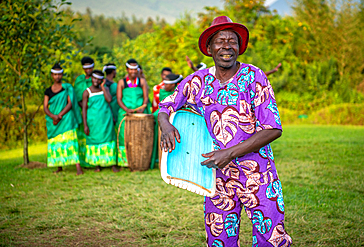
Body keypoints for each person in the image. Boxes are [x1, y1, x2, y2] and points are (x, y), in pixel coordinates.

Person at [158, 16, 292, 247]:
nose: (227, 46)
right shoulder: (197, 81)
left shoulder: (254, 77)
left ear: (239, 48)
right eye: (220, 41)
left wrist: (229, 153)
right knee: (220, 240)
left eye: (232, 41)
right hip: (216, 178)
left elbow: (273, 129)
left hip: (258, 174)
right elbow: (166, 106)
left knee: (271, 237)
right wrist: (166, 125)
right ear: (209, 48)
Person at [43, 64, 83, 175]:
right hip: (54, 121)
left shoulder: (67, 88)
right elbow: (45, 107)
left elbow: (70, 103)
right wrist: (53, 116)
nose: (57, 77)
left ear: (62, 75)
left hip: (66, 119)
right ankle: (59, 167)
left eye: (59, 74)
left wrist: (59, 115)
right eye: (55, 74)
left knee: (71, 142)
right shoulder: (48, 91)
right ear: (52, 75)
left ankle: (78, 168)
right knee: (56, 142)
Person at [82, 70, 120, 173]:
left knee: (109, 139)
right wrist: (85, 125)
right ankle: (97, 165)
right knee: (95, 140)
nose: (96, 81)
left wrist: (103, 87)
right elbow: (84, 109)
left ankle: (112, 164)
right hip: (93, 121)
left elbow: (109, 99)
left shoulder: (105, 89)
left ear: (102, 80)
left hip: (106, 120)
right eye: (94, 78)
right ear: (91, 78)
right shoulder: (87, 92)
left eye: (99, 80)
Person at [116, 59, 150, 166]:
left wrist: (143, 108)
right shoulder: (122, 82)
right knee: (124, 135)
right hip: (125, 113)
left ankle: (139, 160)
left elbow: (146, 97)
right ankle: (124, 162)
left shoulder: (142, 82)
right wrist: (127, 110)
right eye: (131, 69)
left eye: (135, 69)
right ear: (127, 69)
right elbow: (119, 99)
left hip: (140, 113)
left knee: (140, 136)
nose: (133, 72)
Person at [74, 56, 95, 168]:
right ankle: (84, 160)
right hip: (83, 111)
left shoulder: (96, 79)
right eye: (86, 68)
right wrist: (85, 108)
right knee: (83, 134)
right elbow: (77, 97)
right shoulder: (79, 80)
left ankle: (94, 160)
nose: (88, 71)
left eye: (90, 68)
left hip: (95, 112)